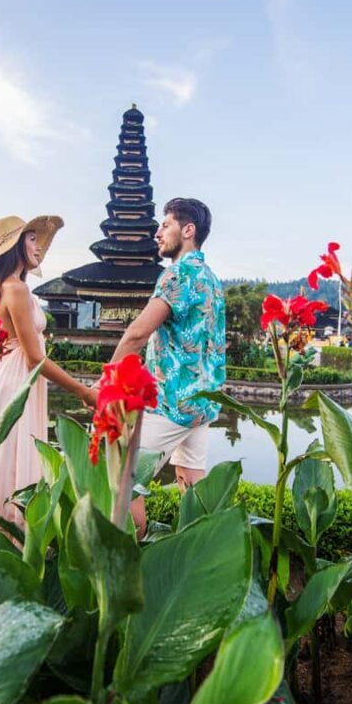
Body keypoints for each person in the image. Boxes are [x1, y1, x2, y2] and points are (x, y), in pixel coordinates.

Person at [0, 215, 97, 537]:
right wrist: (83, 392)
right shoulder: (16, 290)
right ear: (14, 247)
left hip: (2, 379)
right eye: (30, 239)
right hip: (18, 382)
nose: (38, 246)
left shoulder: (0, 290)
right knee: (11, 462)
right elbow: (34, 359)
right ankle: (11, 542)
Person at [106, 197, 226, 535]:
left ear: (188, 230)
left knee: (123, 479)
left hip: (170, 402)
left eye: (166, 225)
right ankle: (198, 565)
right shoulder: (212, 280)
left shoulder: (178, 275)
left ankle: (131, 556)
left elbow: (137, 333)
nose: (157, 233)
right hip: (204, 403)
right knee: (193, 489)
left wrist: (108, 383)